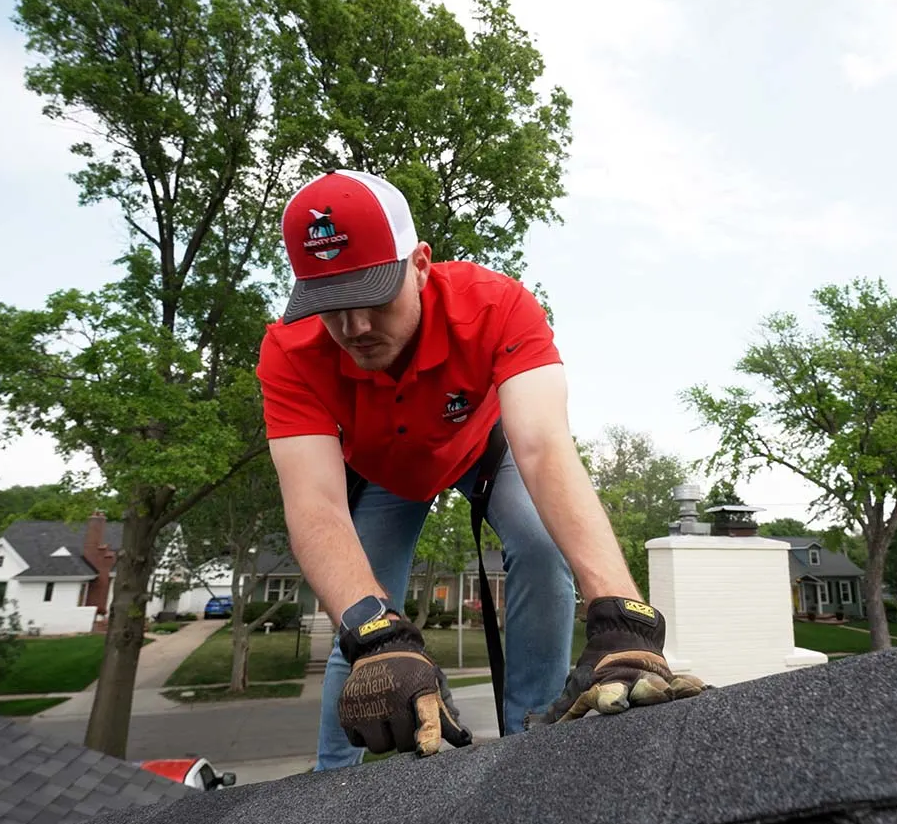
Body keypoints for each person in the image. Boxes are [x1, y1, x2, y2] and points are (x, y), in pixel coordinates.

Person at [256, 168, 704, 772]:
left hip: (481, 449)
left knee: (543, 548)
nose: (355, 328)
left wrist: (621, 611)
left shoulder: (497, 304)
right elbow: (315, 506)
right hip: (386, 472)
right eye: (333, 305)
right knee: (362, 621)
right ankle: (330, 784)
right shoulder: (288, 348)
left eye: (372, 296)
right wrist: (376, 634)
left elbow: (545, 449)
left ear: (419, 263)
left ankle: (536, 748)